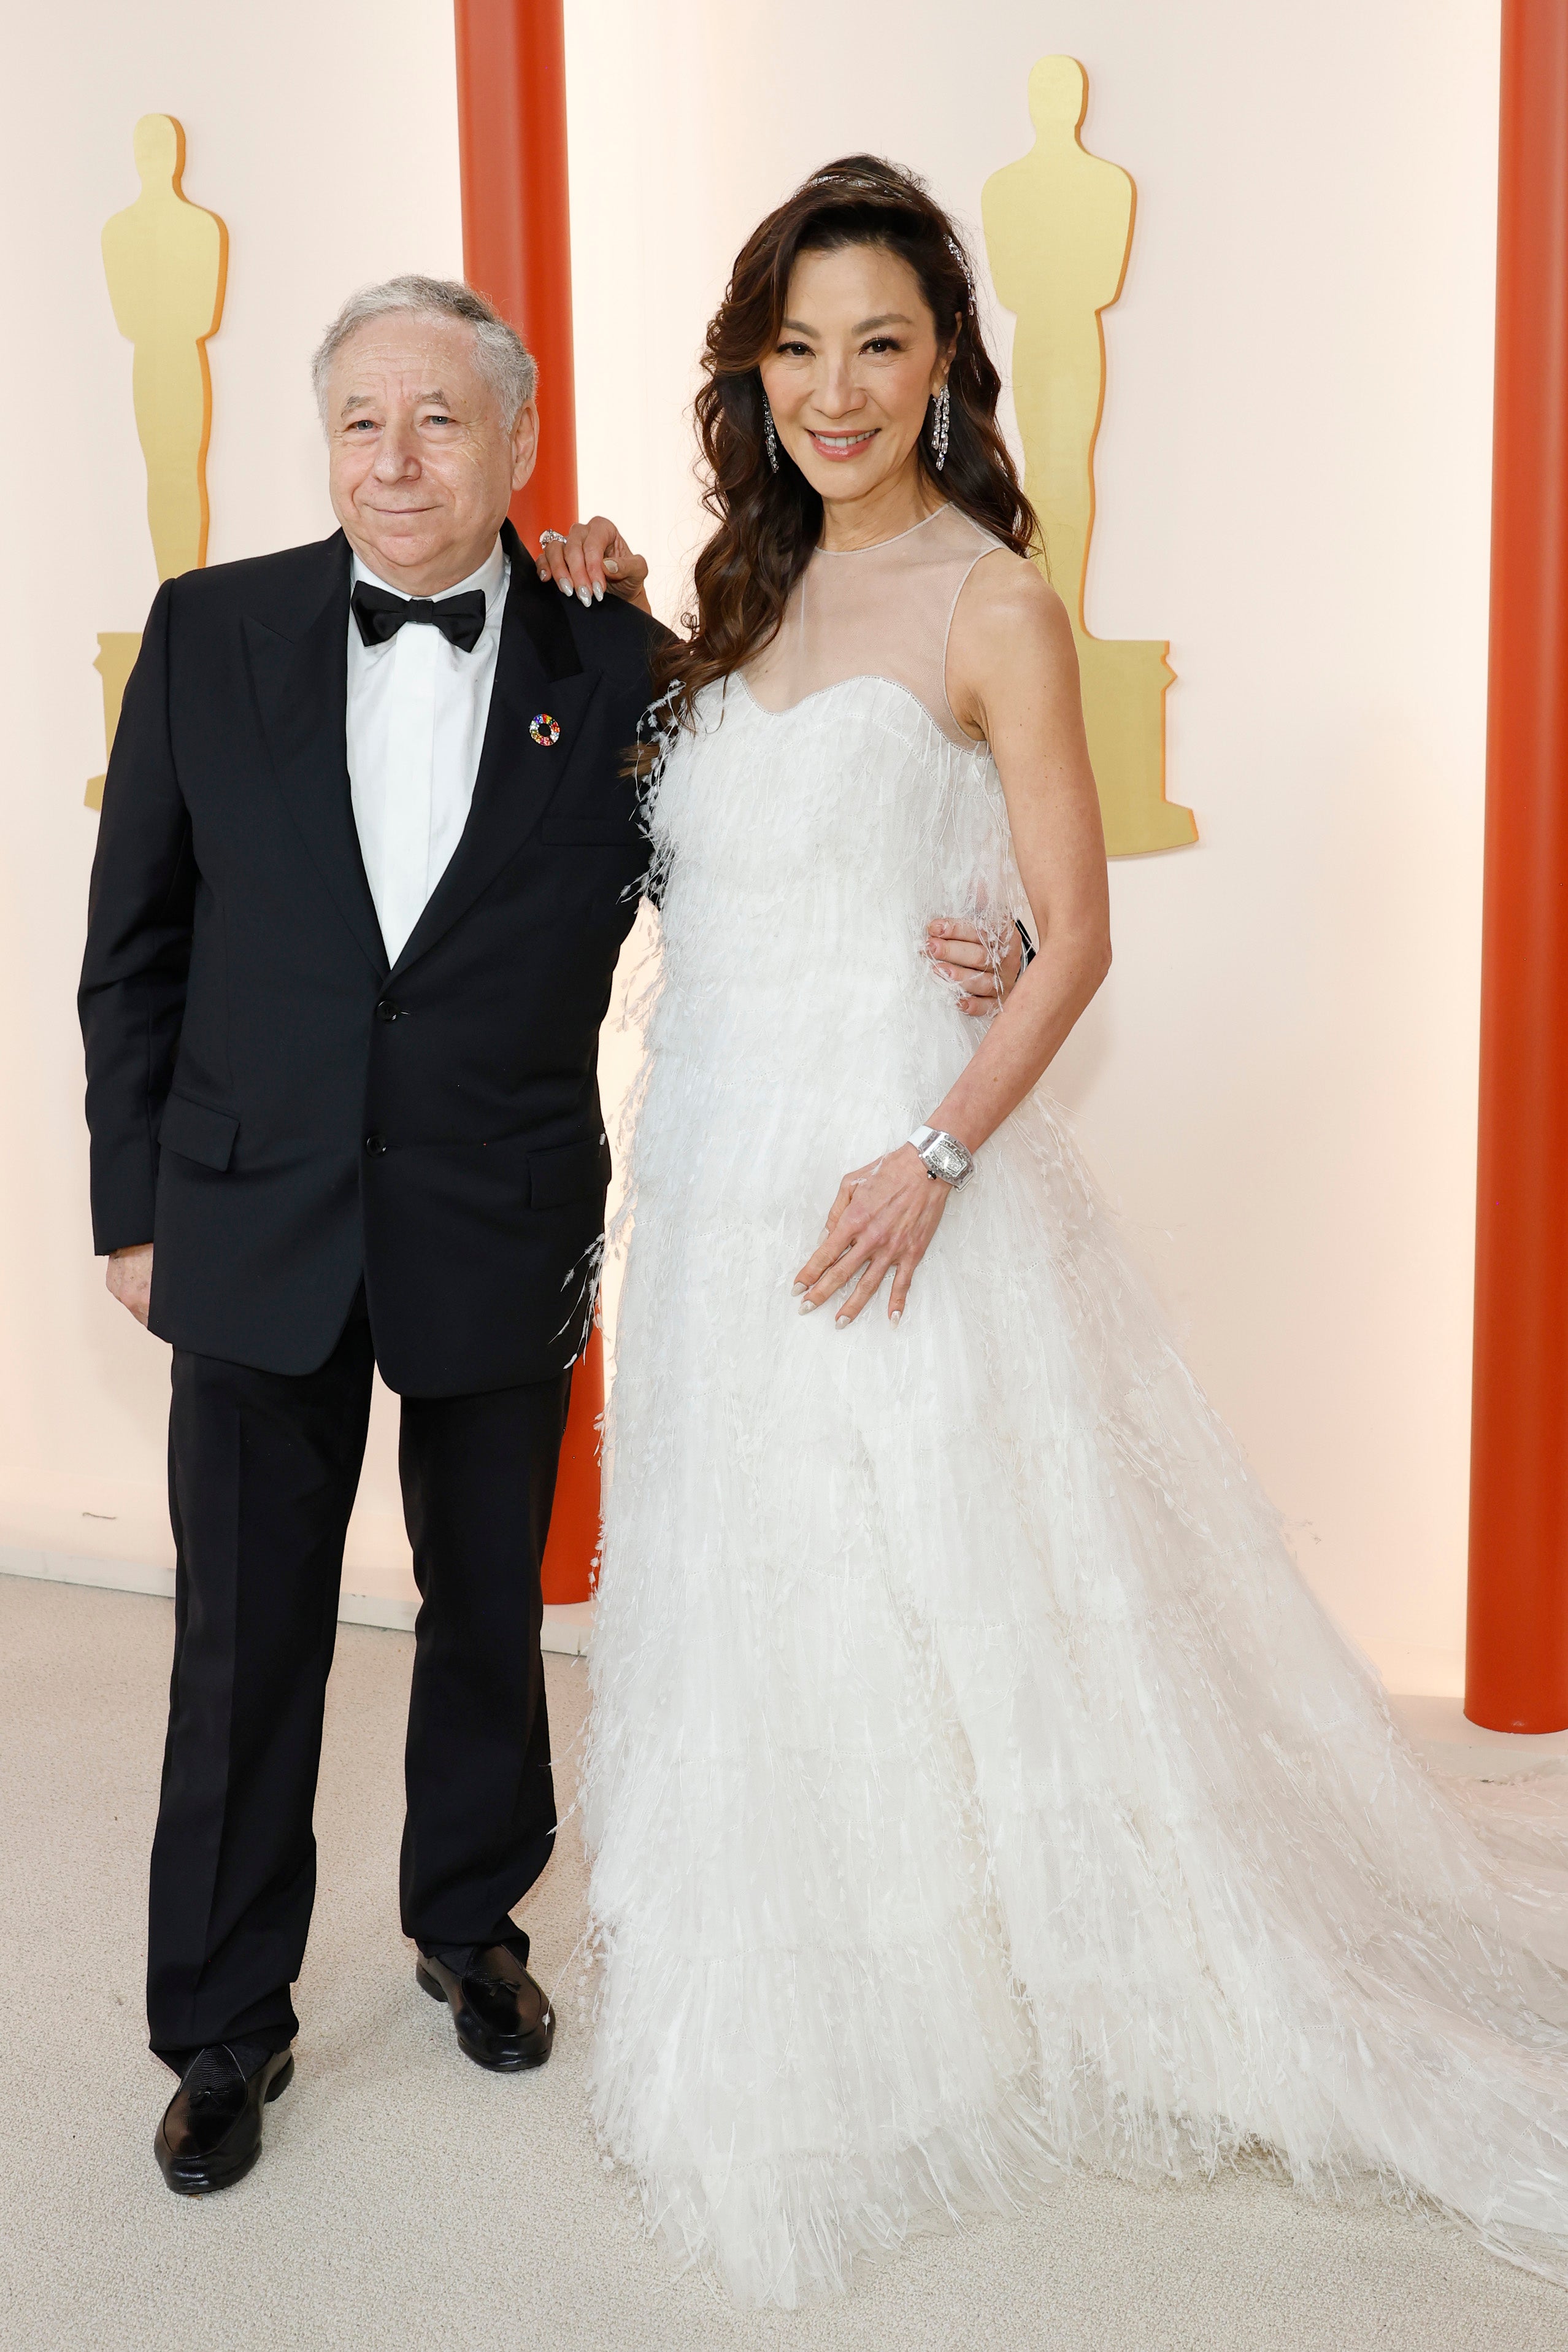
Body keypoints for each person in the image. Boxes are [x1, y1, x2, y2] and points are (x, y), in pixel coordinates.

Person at [574, 159, 1568, 2309]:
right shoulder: (737, 604)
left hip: (892, 1173)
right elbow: (734, 844)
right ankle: (822, 1953)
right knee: (760, 1578)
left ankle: (1023, 1978)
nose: (837, 390)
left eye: (882, 347)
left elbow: (1074, 934)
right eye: (799, 346)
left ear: (944, 372)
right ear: (752, 370)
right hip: (721, 1160)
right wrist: (622, 591)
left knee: (948, 1579)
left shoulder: (989, 598)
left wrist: (927, 1155)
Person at [78, 272, 1014, 2197]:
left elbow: (785, 865)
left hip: (496, 1209)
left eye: (442, 421)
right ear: (319, 438)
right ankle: (222, 2022)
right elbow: (133, 948)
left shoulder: (629, 672)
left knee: (489, 1607)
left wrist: (984, 928)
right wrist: (130, 1206)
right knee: (240, 1641)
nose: (397, 458)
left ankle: (467, 1921)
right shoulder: (208, 629)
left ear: (517, 446)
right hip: (247, 1218)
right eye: (361, 420)